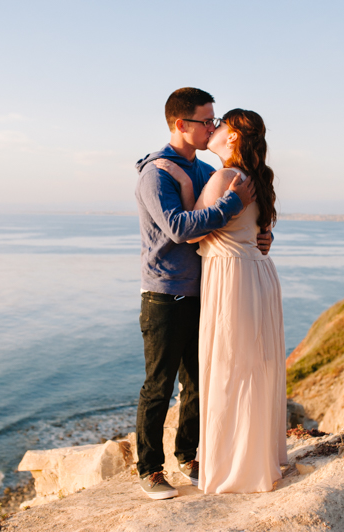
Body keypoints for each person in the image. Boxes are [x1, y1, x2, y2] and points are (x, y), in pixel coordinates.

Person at [134, 88, 272, 500]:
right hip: (165, 292)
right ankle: (150, 469)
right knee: (159, 385)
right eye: (206, 121)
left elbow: (229, 226)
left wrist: (259, 236)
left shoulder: (199, 169)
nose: (213, 127)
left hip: (205, 292)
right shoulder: (156, 173)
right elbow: (179, 227)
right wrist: (231, 204)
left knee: (198, 381)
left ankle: (188, 455)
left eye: (215, 121)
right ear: (181, 124)